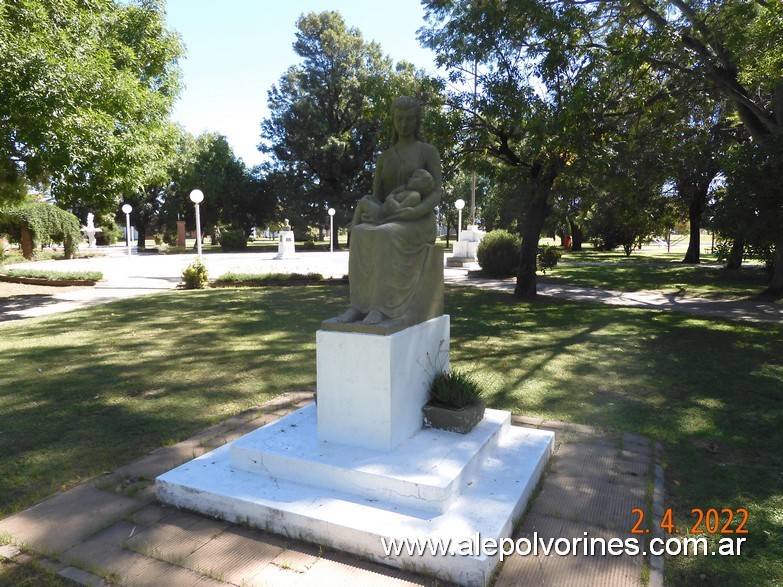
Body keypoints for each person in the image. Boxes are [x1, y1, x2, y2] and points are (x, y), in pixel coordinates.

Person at [336, 96, 443, 327]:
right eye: (399, 119)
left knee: (386, 234)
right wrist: (369, 213)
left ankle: (380, 307)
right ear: (393, 120)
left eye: (409, 119)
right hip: (389, 217)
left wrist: (416, 211)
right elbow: (377, 196)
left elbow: (436, 192)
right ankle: (358, 305)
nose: (403, 124)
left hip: (419, 221)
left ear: (417, 121)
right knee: (360, 233)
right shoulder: (384, 157)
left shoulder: (427, 151)